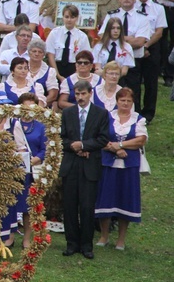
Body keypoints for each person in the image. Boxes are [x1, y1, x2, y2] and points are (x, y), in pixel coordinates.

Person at [60, 80, 110, 260]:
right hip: (71, 164)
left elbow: (103, 138)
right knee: (70, 205)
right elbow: (62, 138)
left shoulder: (101, 113)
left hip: (90, 165)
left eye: (83, 94)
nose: (80, 98)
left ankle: (86, 245)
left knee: (87, 206)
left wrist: (84, 146)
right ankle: (71, 243)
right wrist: (74, 148)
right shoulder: (67, 113)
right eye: (77, 94)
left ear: (90, 93)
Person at [95, 88, 147, 251]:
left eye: (128, 101)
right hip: (108, 164)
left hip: (129, 166)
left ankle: (121, 239)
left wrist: (122, 145)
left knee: (125, 198)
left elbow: (141, 140)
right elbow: (100, 138)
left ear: (132, 103)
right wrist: (115, 149)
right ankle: (104, 235)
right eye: (122, 100)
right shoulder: (107, 116)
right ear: (117, 101)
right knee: (106, 198)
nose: (125, 104)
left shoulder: (138, 119)